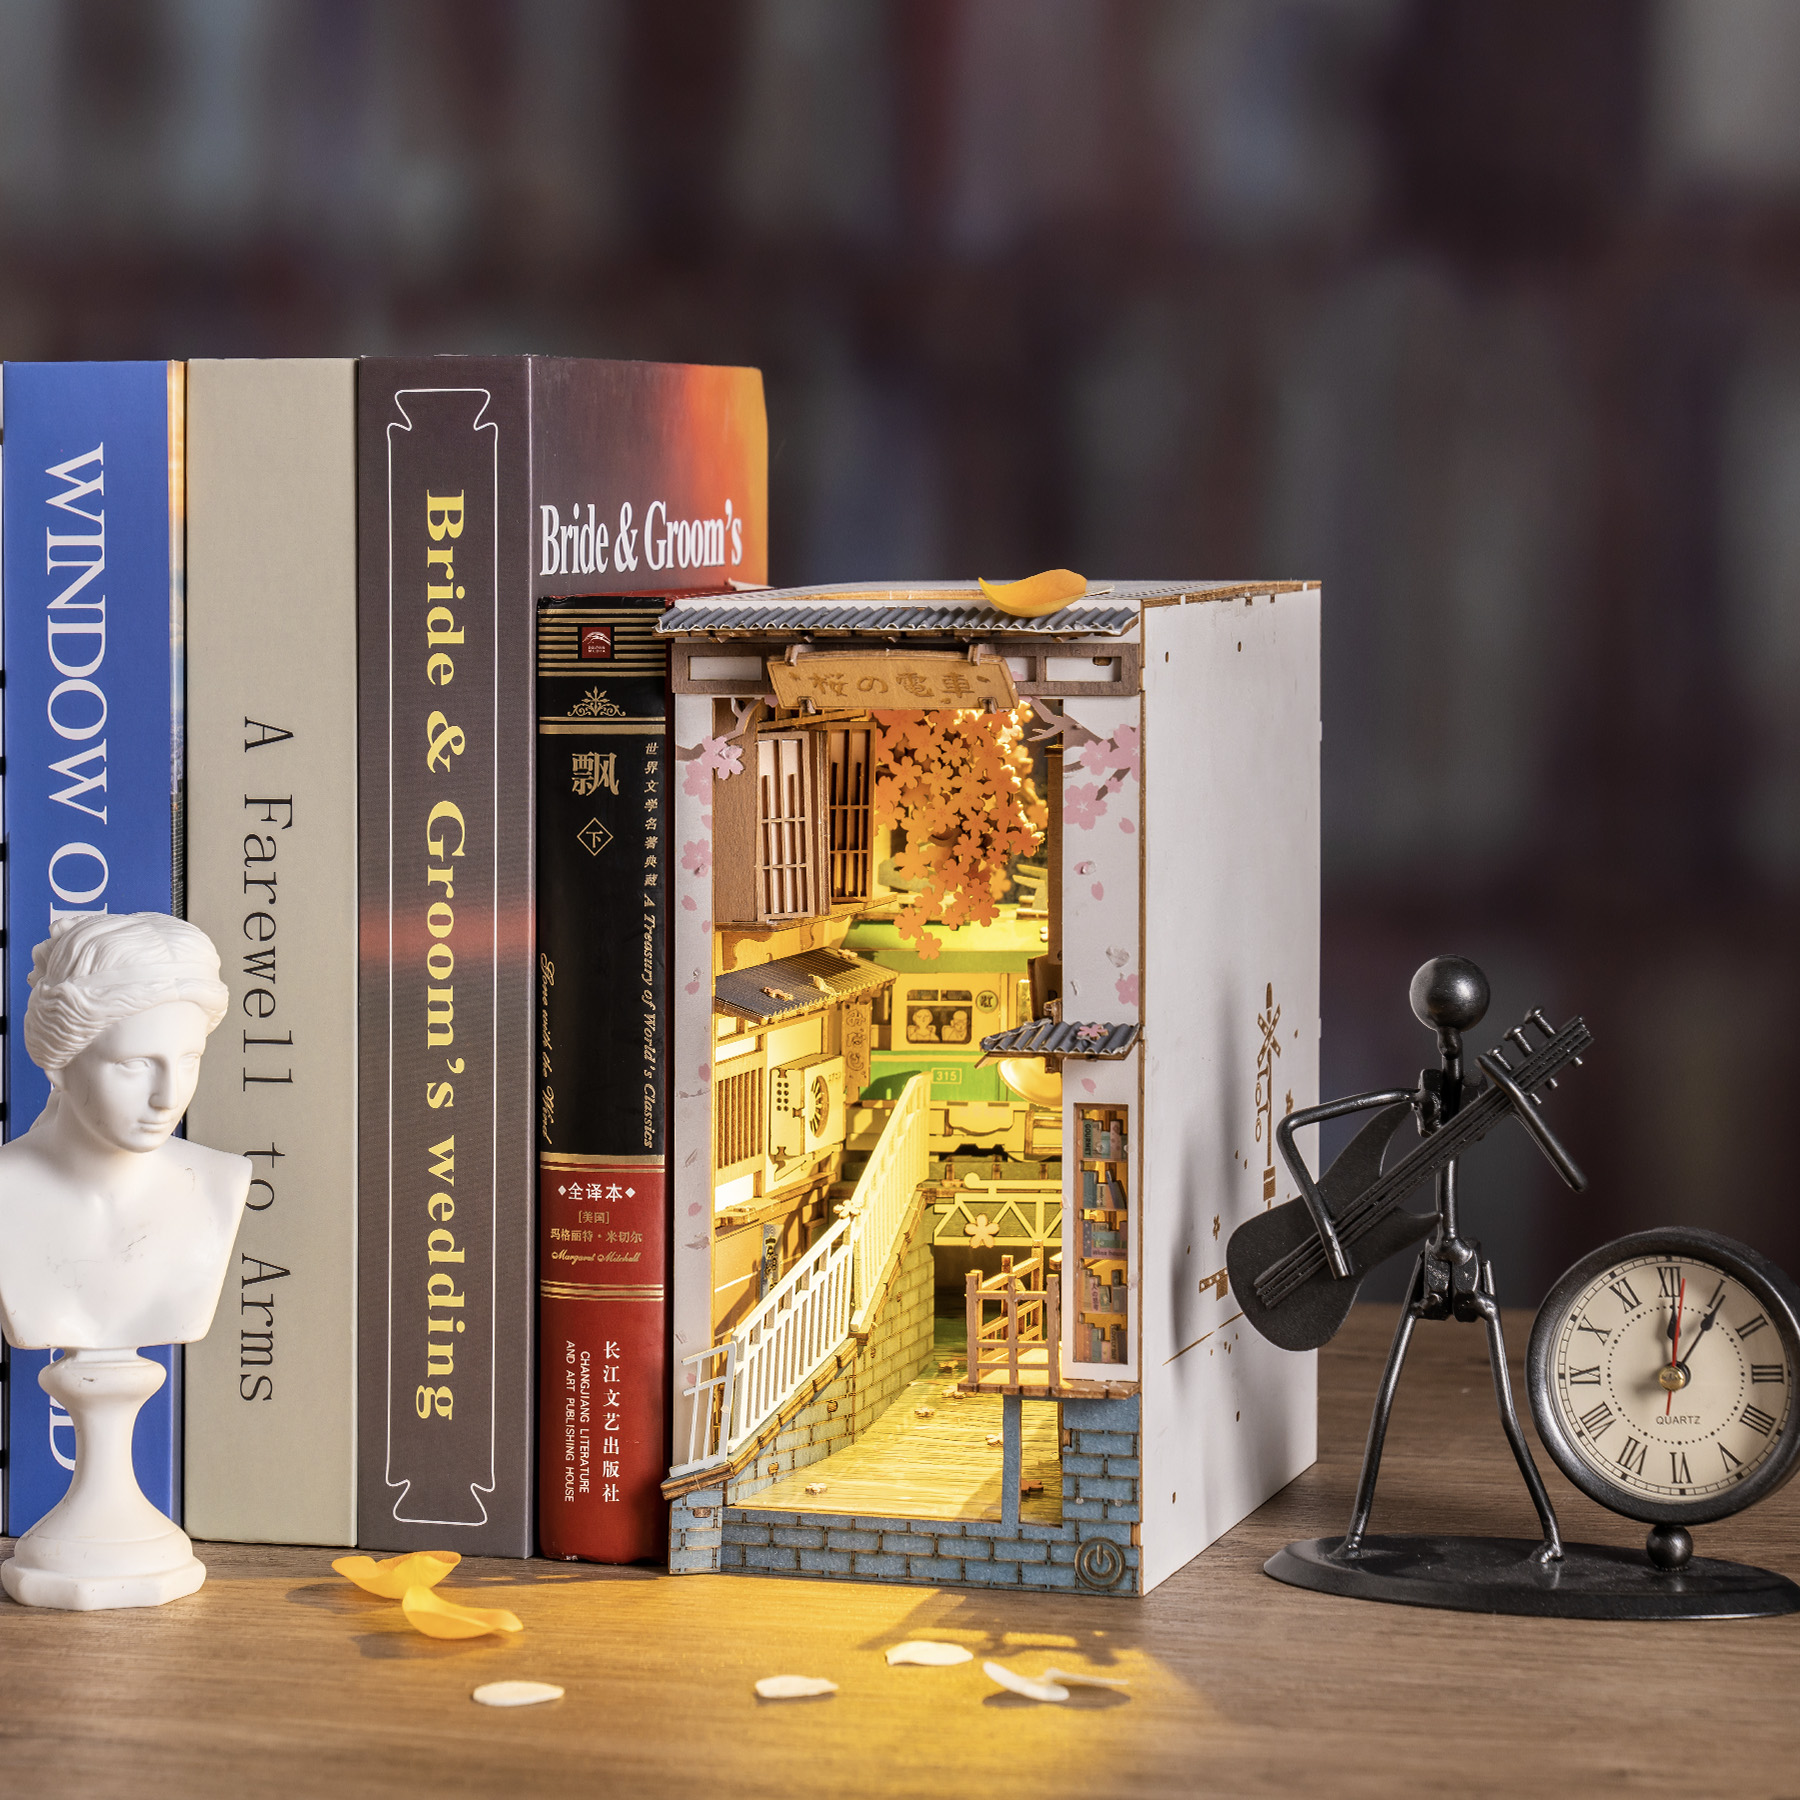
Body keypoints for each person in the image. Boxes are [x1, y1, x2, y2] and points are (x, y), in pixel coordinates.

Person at [0, 913, 250, 1354]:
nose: (168, 1098)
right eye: (135, 1064)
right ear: (59, 1062)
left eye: (189, 1060)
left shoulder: (221, 1184)